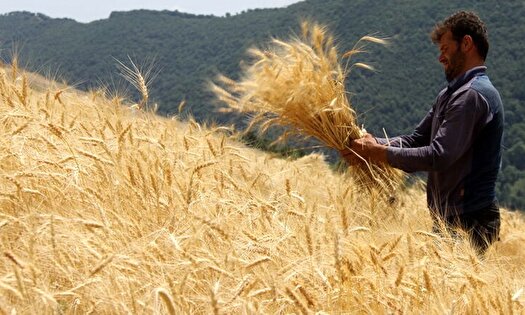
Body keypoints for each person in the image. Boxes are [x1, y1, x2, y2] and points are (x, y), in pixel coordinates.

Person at [340, 11, 504, 255]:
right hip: (450, 217)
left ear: (467, 44)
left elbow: (438, 156)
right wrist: (371, 145)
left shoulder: (471, 96)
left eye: (446, 48)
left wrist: (378, 153)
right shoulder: (450, 95)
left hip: (468, 219)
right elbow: (416, 139)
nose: (441, 58)